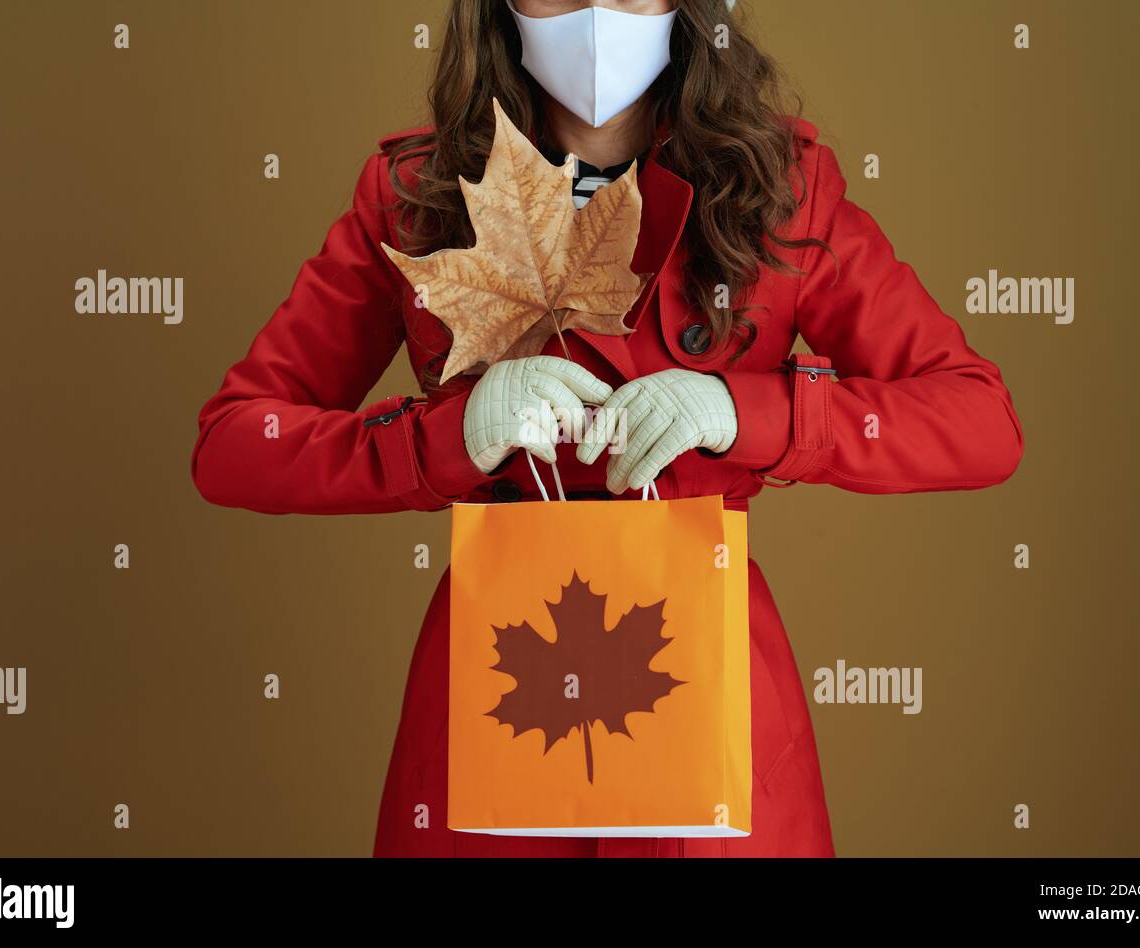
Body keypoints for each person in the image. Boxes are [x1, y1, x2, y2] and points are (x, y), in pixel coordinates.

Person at [191, 0, 1024, 857]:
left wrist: (745, 411)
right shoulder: (419, 196)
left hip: (707, 688)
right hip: (494, 686)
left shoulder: (778, 185)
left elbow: (979, 418)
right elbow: (233, 444)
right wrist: (446, 437)